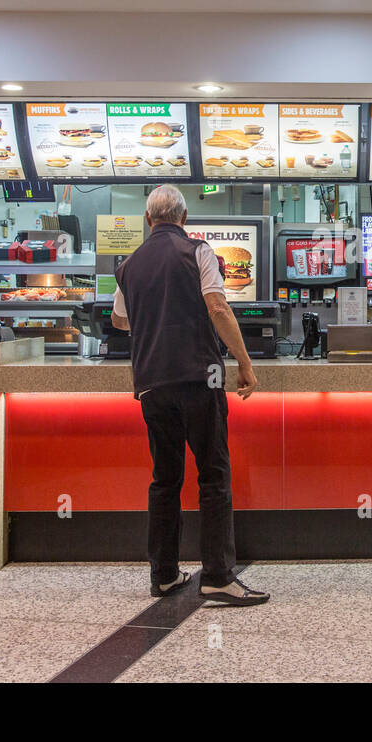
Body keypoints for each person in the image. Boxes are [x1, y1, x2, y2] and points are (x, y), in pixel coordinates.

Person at [111, 185, 268, 606]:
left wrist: (156, 315)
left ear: (149, 220)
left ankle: (163, 575)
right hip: (202, 378)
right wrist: (245, 363)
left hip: (151, 384)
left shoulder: (128, 266)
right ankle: (217, 576)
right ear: (183, 218)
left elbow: (119, 321)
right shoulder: (199, 252)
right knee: (213, 475)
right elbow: (217, 307)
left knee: (165, 479)